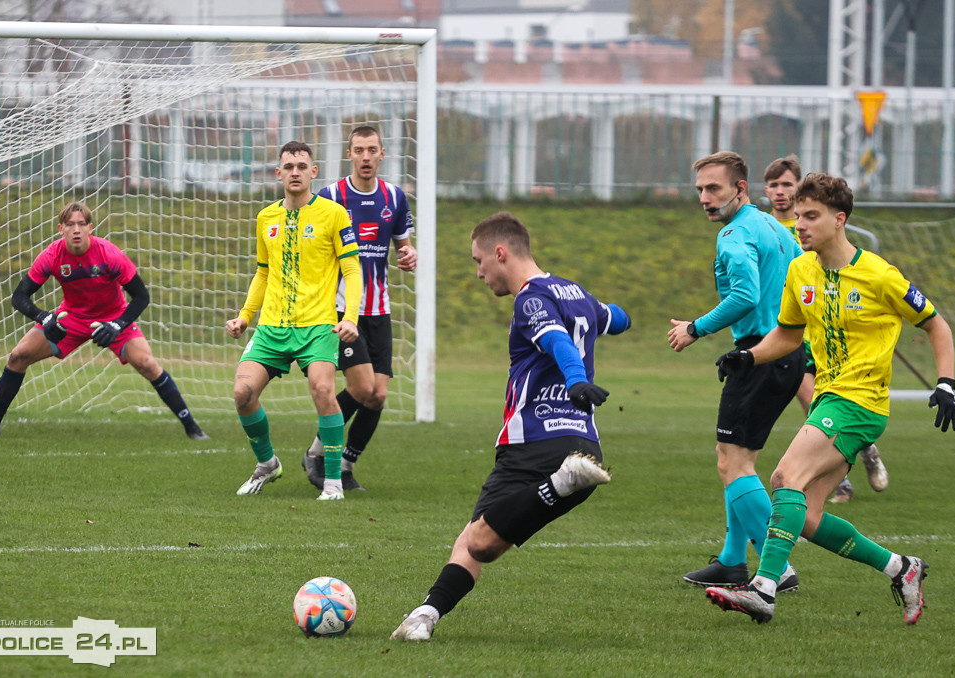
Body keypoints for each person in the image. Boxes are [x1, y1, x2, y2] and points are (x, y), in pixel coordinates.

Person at [708, 172, 955, 625]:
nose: (799, 224)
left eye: (811, 216)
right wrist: (748, 357)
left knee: (786, 476)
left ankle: (764, 589)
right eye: (799, 215)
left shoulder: (879, 274)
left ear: (839, 219)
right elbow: (787, 333)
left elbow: (935, 324)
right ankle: (902, 569)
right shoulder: (801, 269)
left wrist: (946, 383)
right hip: (829, 397)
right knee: (806, 517)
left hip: (860, 403)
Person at [390, 211, 631, 642]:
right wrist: (606, 315)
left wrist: (576, 379)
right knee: (477, 540)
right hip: (584, 442)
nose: (479, 273)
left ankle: (560, 483)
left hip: (533, 442)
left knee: (478, 543)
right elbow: (618, 317)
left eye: (479, 261)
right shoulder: (575, 292)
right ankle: (424, 617)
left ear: (500, 253)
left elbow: (556, 338)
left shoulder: (530, 298)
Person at [667, 151, 803, 593]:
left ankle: (775, 568)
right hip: (787, 352)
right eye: (700, 190)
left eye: (714, 189)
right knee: (738, 461)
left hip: (758, 354)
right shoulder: (774, 229)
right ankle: (730, 561)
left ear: (739, 189)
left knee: (733, 464)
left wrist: (695, 328)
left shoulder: (735, 234)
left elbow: (745, 294)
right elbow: (806, 283)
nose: (705, 198)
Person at [0, 202, 208, 440]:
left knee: (147, 364)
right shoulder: (52, 256)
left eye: (81, 224)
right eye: (70, 224)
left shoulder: (110, 254)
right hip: (71, 318)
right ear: (60, 229)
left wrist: (118, 324)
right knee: (18, 356)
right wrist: (44, 317)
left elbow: (141, 296)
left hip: (113, 315)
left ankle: (192, 427)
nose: (76, 229)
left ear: (90, 227)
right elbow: (19, 297)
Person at [226, 141, 363, 501]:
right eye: (289, 166)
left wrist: (350, 318)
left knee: (322, 390)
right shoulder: (265, 217)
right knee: (242, 392)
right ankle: (267, 464)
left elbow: (351, 268)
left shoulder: (334, 214)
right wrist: (244, 316)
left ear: (313, 172)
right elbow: (263, 273)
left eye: (302, 166)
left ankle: (332, 482)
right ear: (279, 173)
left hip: (318, 325)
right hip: (272, 326)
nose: (296, 172)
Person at [764, 155, 889, 504]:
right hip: (797, 335)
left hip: (835, 337)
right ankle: (841, 479)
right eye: (774, 185)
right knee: (813, 400)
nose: (780, 192)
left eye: (786, 184)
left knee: (823, 406)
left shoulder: (809, 230)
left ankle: (860, 454)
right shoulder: (764, 228)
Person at [303, 125, 417, 492]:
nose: (366, 157)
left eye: (372, 150)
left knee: (378, 395)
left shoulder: (395, 198)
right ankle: (317, 450)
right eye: (359, 150)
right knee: (362, 385)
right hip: (340, 310)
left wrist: (408, 254)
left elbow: (403, 244)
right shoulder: (331, 197)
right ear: (348, 154)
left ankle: (347, 464)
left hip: (378, 310)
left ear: (383, 154)